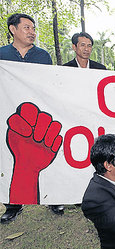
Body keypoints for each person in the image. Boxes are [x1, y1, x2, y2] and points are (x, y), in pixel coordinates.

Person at [0, 13, 64, 222]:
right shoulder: (2, 55)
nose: (32, 32)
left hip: (38, 113)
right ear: (13, 29)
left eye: (33, 28)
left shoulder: (43, 56)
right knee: (9, 158)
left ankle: (53, 198)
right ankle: (12, 204)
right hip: (8, 113)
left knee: (46, 152)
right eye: (27, 28)